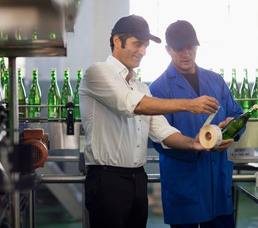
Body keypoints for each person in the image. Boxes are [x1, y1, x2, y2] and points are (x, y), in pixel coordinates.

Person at [79, 15, 232, 228]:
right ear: (116, 41)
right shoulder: (96, 72)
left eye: (145, 46)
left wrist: (194, 143)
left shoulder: (141, 87)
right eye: (137, 44)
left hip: (137, 179)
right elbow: (129, 104)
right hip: (107, 180)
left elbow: (162, 130)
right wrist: (189, 104)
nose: (142, 51)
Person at [149, 20, 244, 228]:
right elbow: (159, 140)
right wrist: (198, 144)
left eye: (190, 47)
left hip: (217, 181)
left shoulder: (215, 81)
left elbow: (237, 113)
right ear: (168, 50)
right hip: (185, 183)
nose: (186, 54)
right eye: (179, 48)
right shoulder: (159, 89)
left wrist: (232, 128)